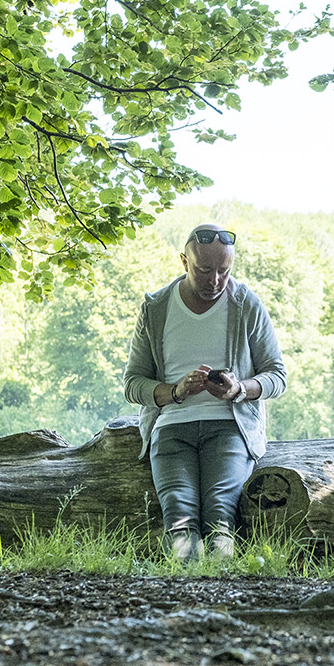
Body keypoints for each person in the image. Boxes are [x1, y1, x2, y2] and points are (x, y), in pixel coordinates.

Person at [123, 224, 286, 561]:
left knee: (220, 512)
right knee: (179, 514)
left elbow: (277, 376)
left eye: (224, 271)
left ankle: (219, 593)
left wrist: (239, 389)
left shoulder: (246, 305)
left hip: (229, 428)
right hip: (170, 429)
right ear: (184, 261)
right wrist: (175, 391)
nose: (214, 280)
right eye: (204, 270)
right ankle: (184, 599)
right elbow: (133, 384)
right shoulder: (156, 308)